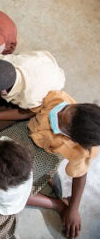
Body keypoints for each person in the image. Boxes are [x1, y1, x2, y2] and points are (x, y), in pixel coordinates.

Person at [26, 91, 100, 238]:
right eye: (66, 109)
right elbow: (27, 109)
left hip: (44, 154)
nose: (58, 113)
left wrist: (73, 209)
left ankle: (57, 205)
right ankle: (50, 185)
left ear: (74, 138)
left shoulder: (81, 150)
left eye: (61, 124)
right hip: (28, 130)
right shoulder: (59, 99)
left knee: (10, 191)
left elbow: (80, 175)